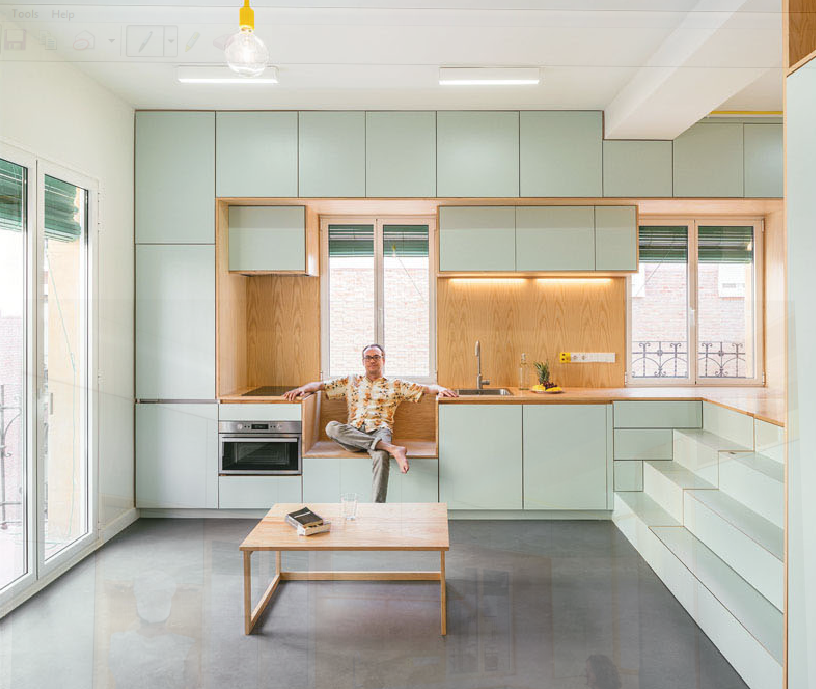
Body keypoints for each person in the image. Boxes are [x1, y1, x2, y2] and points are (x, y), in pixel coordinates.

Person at [284, 344, 457, 502]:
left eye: (376, 357)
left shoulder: (395, 385)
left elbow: (427, 389)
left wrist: (441, 389)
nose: (372, 361)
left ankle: (377, 509)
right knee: (331, 427)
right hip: (354, 433)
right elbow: (319, 386)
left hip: (380, 430)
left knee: (381, 456)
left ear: (383, 360)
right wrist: (301, 389)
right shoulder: (351, 381)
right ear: (363, 361)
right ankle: (392, 448)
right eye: (368, 357)